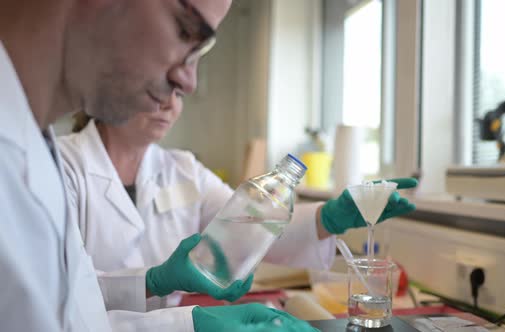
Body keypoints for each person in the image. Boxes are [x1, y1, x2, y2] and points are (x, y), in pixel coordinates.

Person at [0, 0, 318, 331]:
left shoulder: (35, 145)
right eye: (186, 30)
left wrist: (187, 324)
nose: (189, 83)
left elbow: (77, 315)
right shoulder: (52, 159)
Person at [58, 81, 418, 304]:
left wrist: (326, 218)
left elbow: (249, 228)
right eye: (158, 87)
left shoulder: (183, 168)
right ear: (108, 86)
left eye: (180, 92)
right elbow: (57, 291)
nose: (172, 104)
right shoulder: (61, 165)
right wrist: (152, 282)